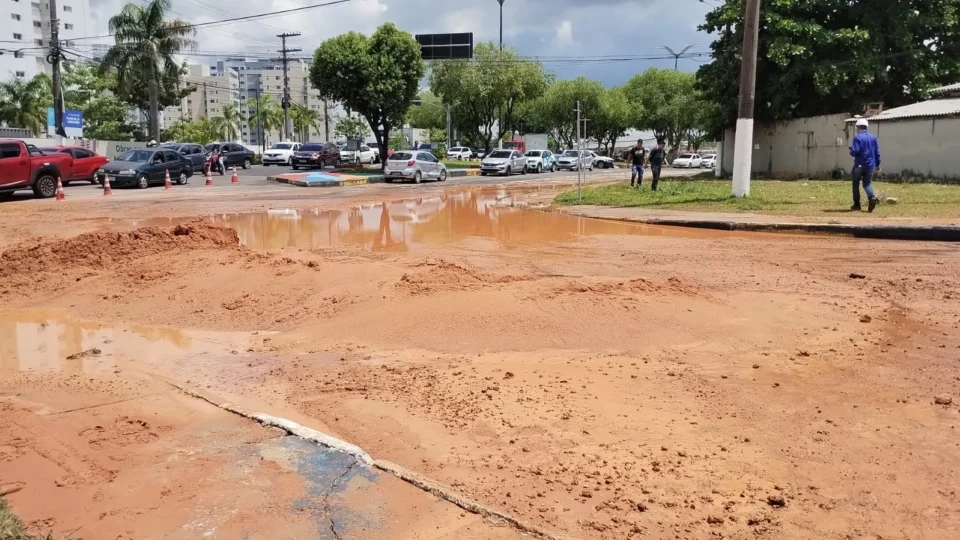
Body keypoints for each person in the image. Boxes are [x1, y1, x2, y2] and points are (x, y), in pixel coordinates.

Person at [849, 118, 881, 212]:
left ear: (857, 127)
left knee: (855, 184)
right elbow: (877, 153)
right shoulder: (873, 138)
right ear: (866, 127)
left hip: (859, 164)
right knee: (866, 184)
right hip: (870, 165)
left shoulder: (857, 138)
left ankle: (857, 205)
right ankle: (871, 197)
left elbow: (855, 151)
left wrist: (851, 151)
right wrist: (877, 164)